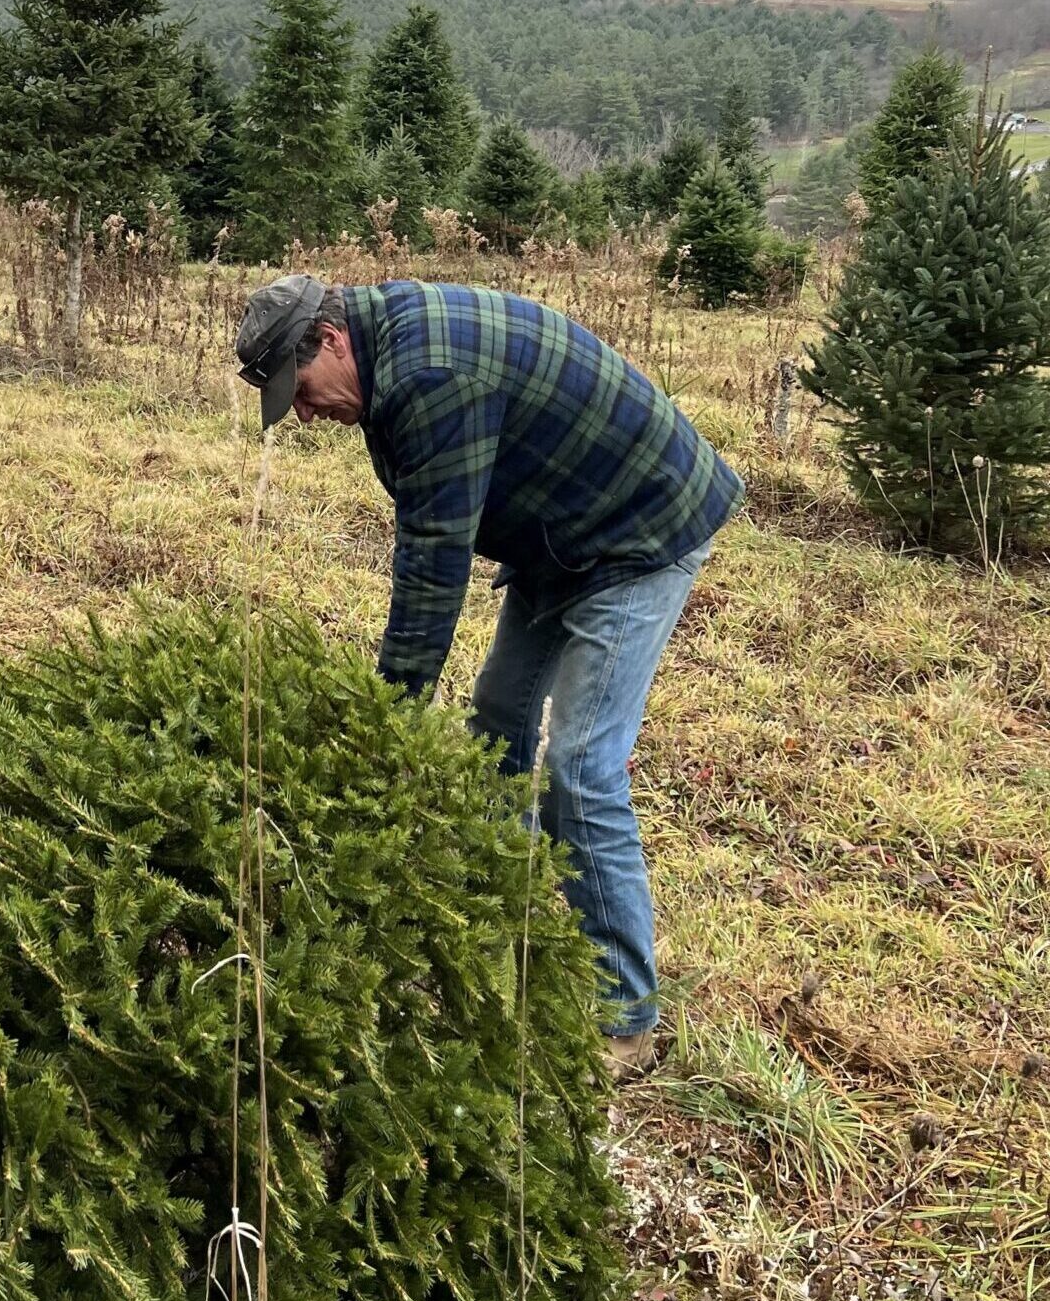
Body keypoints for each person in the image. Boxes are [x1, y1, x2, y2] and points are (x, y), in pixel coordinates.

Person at [235, 274, 743, 1077]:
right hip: (559, 533)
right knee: (498, 718)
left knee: (581, 765)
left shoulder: (430, 374)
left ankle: (626, 1019)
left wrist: (387, 717)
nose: (303, 414)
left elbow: (433, 564)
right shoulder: (385, 364)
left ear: (329, 342)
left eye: (298, 393)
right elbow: (433, 521)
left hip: (639, 531)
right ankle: (502, 911)